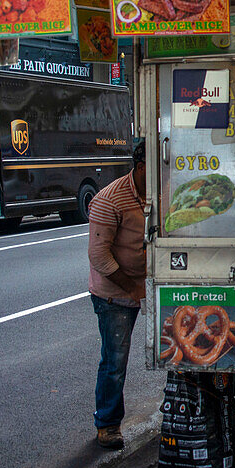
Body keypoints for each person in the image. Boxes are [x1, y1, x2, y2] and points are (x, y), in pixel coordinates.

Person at [88, 141, 148, 450]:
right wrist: (133, 289)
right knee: (115, 360)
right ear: (140, 168)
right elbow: (99, 258)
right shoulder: (109, 200)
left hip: (149, 283)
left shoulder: (160, 191)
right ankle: (108, 424)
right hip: (115, 294)